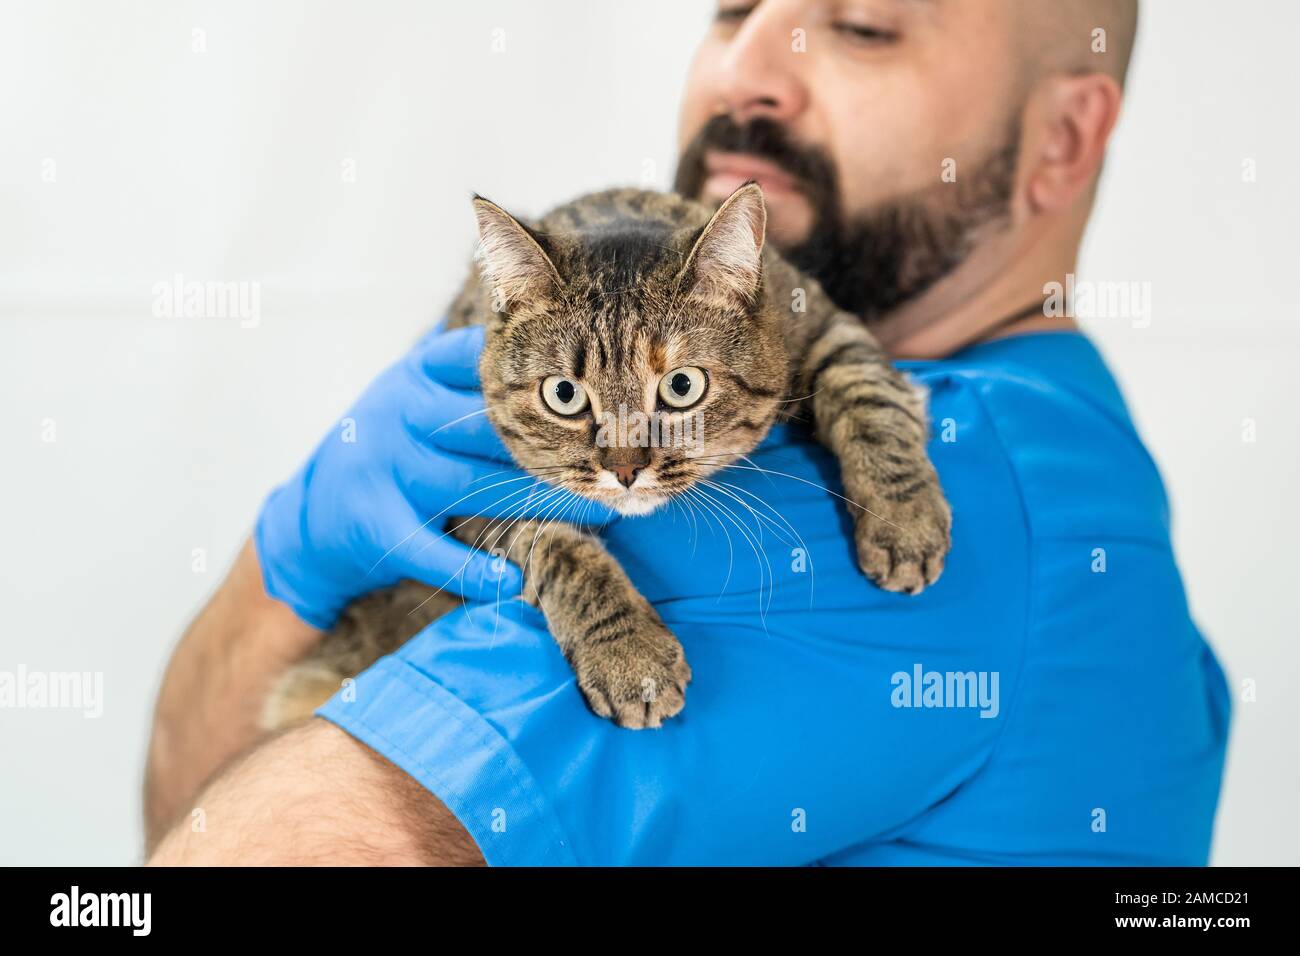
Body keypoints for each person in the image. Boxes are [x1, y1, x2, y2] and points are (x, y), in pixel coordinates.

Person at [145, 0, 1229, 866]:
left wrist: (294, 563)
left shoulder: (854, 517)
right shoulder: (1070, 448)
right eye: (730, 7)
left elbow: (215, 850)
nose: (745, 68)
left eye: (862, 27)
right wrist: (287, 555)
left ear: (1063, 136)